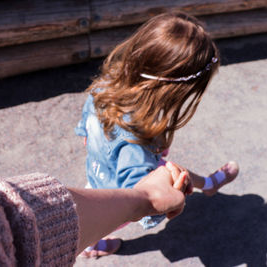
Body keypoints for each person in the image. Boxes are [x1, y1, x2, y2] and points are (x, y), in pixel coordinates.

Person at [75, 12, 239, 257]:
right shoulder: (136, 140)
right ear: (172, 92)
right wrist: (173, 198)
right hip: (116, 193)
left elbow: (85, 130)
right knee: (97, 220)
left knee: (171, 167)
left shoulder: (105, 86)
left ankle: (208, 185)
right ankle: (92, 245)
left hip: (97, 171)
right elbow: (143, 200)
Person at [0, 163, 187, 266]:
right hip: (104, 205)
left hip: (98, 202)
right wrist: (145, 198)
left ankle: (96, 244)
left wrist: (144, 198)